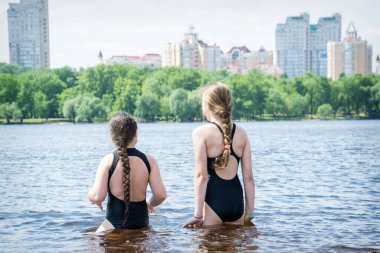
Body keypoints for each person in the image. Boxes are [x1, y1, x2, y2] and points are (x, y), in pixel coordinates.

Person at [183, 83, 255, 228]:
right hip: (236, 202)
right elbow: (248, 178)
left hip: (214, 201)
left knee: (206, 248)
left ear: (208, 106)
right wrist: (249, 213)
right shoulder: (242, 133)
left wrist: (197, 215)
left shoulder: (200, 133)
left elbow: (201, 177)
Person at [88, 112, 167, 231]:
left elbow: (98, 196)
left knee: (88, 241)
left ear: (112, 136)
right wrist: (149, 203)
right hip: (142, 225)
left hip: (113, 227)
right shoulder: (149, 161)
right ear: (136, 134)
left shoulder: (108, 160)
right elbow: (161, 195)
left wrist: (90, 195)